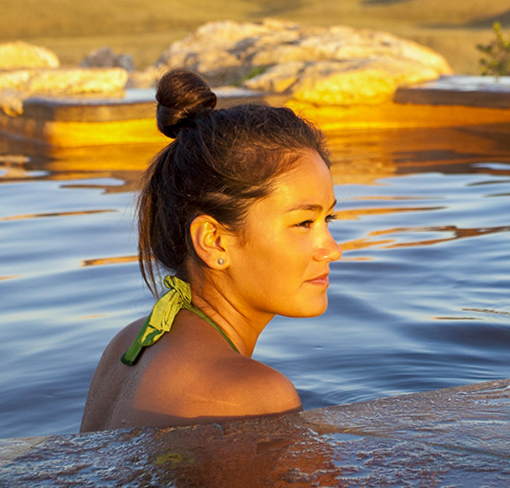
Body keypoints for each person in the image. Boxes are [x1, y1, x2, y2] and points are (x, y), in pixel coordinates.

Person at [81, 69, 341, 431]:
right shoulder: (254, 396)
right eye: (303, 223)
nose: (332, 250)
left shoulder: (129, 346)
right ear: (214, 241)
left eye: (328, 219)